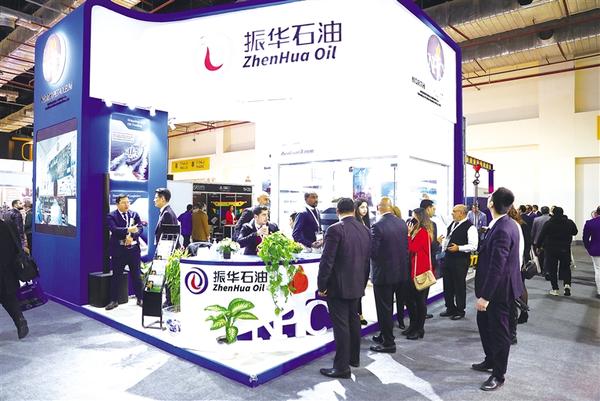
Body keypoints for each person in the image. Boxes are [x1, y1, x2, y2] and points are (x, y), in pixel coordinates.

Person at [472, 187, 524, 392]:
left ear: (492, 203)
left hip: (498, 292)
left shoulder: (503, 228)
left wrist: (486, 297)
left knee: (499, 332)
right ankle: (491, 360)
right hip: (498, 288)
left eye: (490, 197)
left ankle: (498, 374)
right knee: (484, 324)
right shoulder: (506, 224)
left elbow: (497, 266)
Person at [317, 198, 370, 379]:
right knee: (353, 321)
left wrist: (322, 285)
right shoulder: (364, 229)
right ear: (354, 211)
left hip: (338, 286)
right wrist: (363, 283)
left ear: (338, 211)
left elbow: (327, 261)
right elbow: (366, 261)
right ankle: (353, 358)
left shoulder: (335, 229)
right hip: (357, 284)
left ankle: (341, 367)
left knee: (341, 326)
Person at [370, 197, 408, 353]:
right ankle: (384, 335)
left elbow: (373, 252)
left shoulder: (378, 226)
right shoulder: (401, 223)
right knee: (389, 307)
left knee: (384, 309)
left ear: (379, 207)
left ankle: (388, 343)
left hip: (383, 274)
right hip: (400, 273)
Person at [105, 195, 144, 310]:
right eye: (123, 202)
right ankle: (114, 300)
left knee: (136, 275)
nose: (127, 205)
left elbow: (140, 228)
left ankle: (140, 298)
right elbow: (114, 229)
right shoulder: (111, 216)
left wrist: (132, 236)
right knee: (116, 276)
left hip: (134, 250)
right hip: (119, 251)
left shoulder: (134, 214)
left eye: (128, 202)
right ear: (117, 204)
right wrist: (128, 230)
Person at [440, 204, 478, 320]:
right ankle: (450, 307)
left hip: (460, 260)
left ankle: (460, 310)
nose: (452, 213)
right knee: (447, 284)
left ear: (461, 213)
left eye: (454, 211)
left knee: (459, 285)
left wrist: (459, 248)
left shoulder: (470, 227)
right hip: (448, 258)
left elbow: (473, 246)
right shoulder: (452, 223)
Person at [405, 207, 435, 340]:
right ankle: (413, 326)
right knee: (411, 300)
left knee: (420, 302)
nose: (412, 219)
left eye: (414, 217)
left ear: (420, 217)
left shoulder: (423, 232)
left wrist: (408, 235)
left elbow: (413, 248)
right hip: (413, 271)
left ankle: (419, 329)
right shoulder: (417, 231)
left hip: (420, 272)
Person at [538, 207, 578, 296]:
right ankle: (567, 285)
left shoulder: (549, 223)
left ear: (553, 213)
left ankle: (555, 289)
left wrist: (538, 246)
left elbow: (542, 235)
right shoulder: (569, 222)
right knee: (566, 267)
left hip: (551, 249)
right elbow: (575, 232)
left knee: (552, 269)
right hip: (565, 249)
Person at [0, 219, 29, 339]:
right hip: (8, 270)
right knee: (9, 298)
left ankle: (20, 321)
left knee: (8, 299)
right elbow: (17, 244)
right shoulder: (8, 225)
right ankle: (20, 320)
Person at [506, 206, 528, 343]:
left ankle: (523, 312)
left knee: (516, 292)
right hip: (519, 262)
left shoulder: (515, 226)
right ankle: (523, 312)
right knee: (519, 288)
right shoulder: (520, 224)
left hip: (516, 264)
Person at [354, 198, 370, 326]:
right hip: (357, 261)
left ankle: (358, 313)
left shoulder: (366, 222)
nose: (365, 210)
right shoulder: (355, 223)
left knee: (361, 289)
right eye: (362, 207)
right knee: (357, 289)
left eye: (366, 207)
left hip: (366, 260)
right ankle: (358, 314)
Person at [391, 205, 406, 330]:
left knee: (399, 298)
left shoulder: (403, 227)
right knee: (397, 298)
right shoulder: (403, 227)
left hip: (399, 270)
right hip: (400, 269)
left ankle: (400, 320)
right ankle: (399, 321)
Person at [583, 206, 600, 299]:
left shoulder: (590, 223)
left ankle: (599, 291)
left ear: (597, 212)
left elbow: (585, 238)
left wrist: (588, 247)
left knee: (598, 270)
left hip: (596, 249)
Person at [531, 206, 551, 278]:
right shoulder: (551, 219)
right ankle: (546, 271)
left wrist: (532, 239)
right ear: (548, 211)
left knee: (539, 255)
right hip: (548, 240)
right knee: (547, 256)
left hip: (537, 240)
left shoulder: (536, 219)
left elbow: (533, 231)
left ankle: (540, 269)